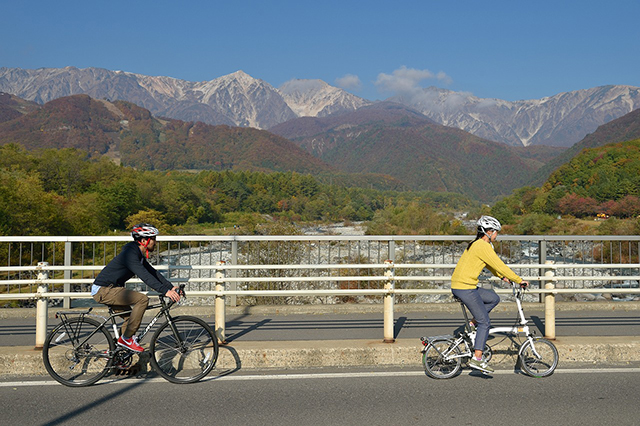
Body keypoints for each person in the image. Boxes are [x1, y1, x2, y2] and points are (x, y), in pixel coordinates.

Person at [451, 215, 529, 374]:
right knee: (485, 322)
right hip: (465, 287)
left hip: (464, 285)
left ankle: (473, 323)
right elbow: (499, 264)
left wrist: (503, 277)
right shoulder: (482, 246)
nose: (496, 235)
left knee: (493, 298)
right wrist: (519, 280)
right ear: (488, 232)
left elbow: (492, 266)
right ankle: (477, 359)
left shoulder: (479, 244)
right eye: (496, 232)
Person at [91, 223, 181, 352]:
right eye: (153, 239)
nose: (155, 242)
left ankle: (119, 352)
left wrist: (170, 287)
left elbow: (152, 272)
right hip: (104, 290)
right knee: (142, 299)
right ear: (144, 241)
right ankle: (126, 339)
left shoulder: (136, 253)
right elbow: (145, 276)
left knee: (130, 320)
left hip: (111, 289)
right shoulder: (130, 255)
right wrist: (165, 291)